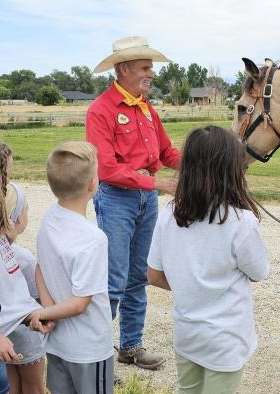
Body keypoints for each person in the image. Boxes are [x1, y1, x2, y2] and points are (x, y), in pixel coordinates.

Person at [147, 125, 270, 394]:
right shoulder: (241, 221)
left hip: (188, 333)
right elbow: (260, 271)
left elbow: (153, 274)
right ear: (231, 169)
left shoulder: (169, 213)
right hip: (225, 338)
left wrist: (190, 285)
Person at [86, 36, 181, 369]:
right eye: (145, 67)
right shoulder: (101, 110)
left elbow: (168, 153)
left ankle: (130, 347)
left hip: (145, 198)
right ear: (124, 69)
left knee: (138, 276)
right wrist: (155, 182)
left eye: (150, 67)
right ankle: (96, 358)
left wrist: (207, 159)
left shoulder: (146, 108)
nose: (151, 73)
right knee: (113, 279)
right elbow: (107, 168)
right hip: (116, 199)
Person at [30, 141, 114, 394]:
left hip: (57, 344)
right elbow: (80, 304)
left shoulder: (49, 219)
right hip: (89, 349)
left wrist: (49, 310)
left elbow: (40, 269)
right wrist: (45, 314)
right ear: (92, 184)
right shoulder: (93, 238)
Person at [5, 183, 46, 394]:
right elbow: (37, 295)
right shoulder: (20, 257)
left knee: (15, 386)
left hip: (8, 333)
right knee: (35, 387)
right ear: (17, 218)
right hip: (27, 332)